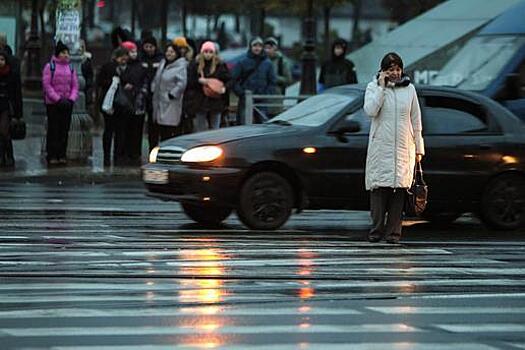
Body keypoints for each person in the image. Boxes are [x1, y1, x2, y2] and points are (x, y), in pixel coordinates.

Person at [363, 52, 425, 244]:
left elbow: (416, 120)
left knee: (399, 191)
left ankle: (393, 234)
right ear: (383, 71)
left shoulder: (410, 90)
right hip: (381, 147)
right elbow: (370, 110)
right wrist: (382, 88)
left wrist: (419, 148)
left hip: (403, 148)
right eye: (391, 70)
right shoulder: (373, 87)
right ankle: (376, 231)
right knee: (379, 190)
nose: (395, 73)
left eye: (398, 69)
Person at [42, 41, 79, 165]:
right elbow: (47, 85)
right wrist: (57, 99)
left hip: (67, 103)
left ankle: (61, 154)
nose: (66, 55)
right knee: (54, 130)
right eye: (63, 52)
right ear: (58, 54)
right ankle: (52, 154)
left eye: (67, 53)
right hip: (53, 104)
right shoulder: (50, 67)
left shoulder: (71, 67)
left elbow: (75, 85)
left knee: (64, 130)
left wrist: (71, 99)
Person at [185, 41, 230, 132]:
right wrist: (199, 81)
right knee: (200, 129)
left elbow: (228, 79)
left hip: (216, 101)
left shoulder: (220, 65)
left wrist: (224, 88)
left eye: (210, 52)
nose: (208, 55)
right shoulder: (195, 64)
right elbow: (189, 82)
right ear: (202, 52)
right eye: (206, 52)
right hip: (199, 102)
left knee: (215, 130)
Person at [232, 37, 277, 124]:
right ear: (250, 47)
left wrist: (267, 94)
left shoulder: (267, 63)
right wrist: (241, 93)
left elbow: (272, 81)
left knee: (262, 124)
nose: (257, 48)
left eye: (260, 46)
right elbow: (234, 80)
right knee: (243, 123)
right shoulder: (242, 62)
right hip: (246, 98)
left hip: (262, 99)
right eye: (255, 45)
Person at [97, 47, 129, 166]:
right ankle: (109, 156)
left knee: (117, 131)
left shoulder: (127, 68)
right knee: (111, 130)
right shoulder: (109, 67)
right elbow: (100, 82)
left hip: (120, 104)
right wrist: (112, 82)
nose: (124, 59)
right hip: (110, 103)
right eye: (122, 57)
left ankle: (115, 156)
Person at [151, 44, 188, 142]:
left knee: (170, 129)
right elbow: (156, 78)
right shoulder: (163, 64)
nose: (169, 54)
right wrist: (153, 89)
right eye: (167, 51)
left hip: (171, 102)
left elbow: (182, 83)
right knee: (160, 129)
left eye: (172, 52)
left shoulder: (180, 66)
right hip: (159, 100)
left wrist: (172, 94)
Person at [120, 41, 148, 164]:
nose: (133, 54)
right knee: (125, 129)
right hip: (124, 103)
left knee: (137, 129)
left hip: (138, 103)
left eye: (135, 51)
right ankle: (125, 152)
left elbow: (144, 82)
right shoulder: (121, 66)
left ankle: (135, 153)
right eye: (130, 51)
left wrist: (136, 90)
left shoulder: (141, 66)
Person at [139, 36, 164, 152]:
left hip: (156, 95)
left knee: (154, 125)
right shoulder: (140, 58)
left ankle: (153, 149)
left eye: (151, 46)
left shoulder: (161, 59)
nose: (149, 49)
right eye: (146, 46)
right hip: (143, 95)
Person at [0, 50, 22, 168]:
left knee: (4, 131)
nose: (0, 62)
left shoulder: (11, 74)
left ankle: (9, 155)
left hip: (6, 106)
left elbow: (17, 94)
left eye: (2, 59)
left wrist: (18, 113)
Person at [79, 40, 94, 106]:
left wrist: (87, 85)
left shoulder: (87, 60)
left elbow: (90, 75)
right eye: (78, 47)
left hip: (85, 87)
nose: (80, 49)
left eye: (82, 47)